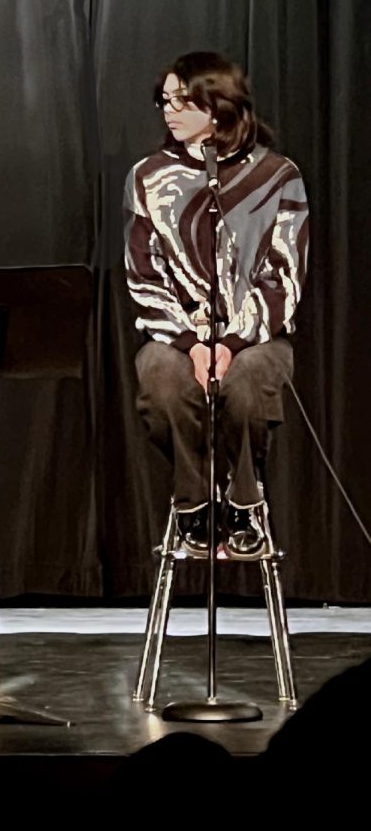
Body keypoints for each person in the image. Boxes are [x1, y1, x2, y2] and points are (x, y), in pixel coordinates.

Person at [124, 52, 309, 558]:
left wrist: (229, 343)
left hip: (255, 337)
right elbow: (144, 276)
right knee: (162, 378)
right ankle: (194, 505)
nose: (169, 111)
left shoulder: (277, 176)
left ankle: (245, 502)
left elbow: (284, 275)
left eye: (182, 100)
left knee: (247, 380)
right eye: (164, 100)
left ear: (218, 104)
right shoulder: (148, 177)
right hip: (174, 335)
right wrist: (189, 342)